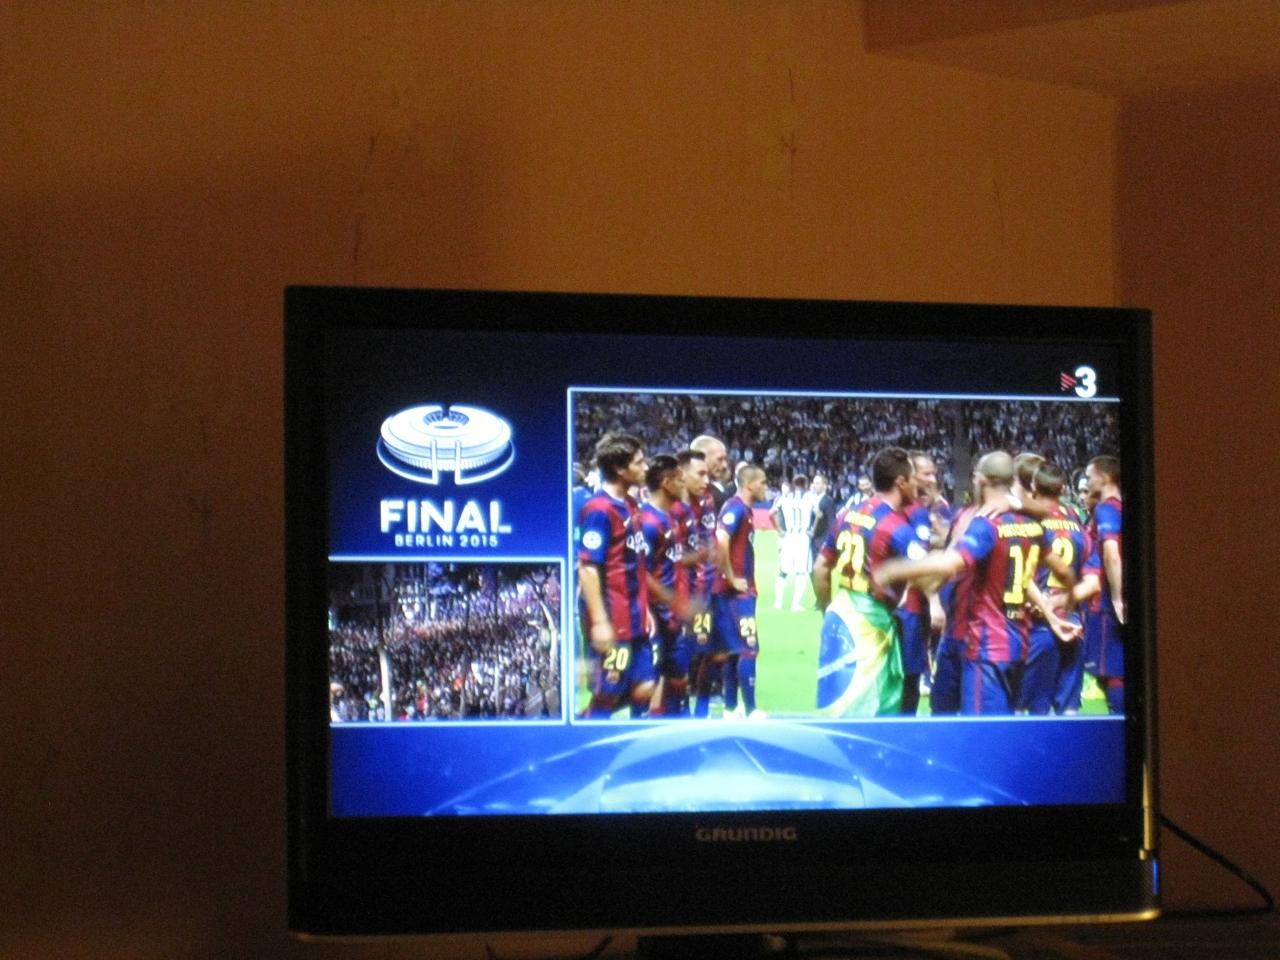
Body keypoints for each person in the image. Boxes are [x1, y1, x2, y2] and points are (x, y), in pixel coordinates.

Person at [875, 451, 1048, 716]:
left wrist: (895, 569)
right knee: (942, 713)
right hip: (960, 634)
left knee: (981, 724)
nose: (931, 480)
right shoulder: (977, 515)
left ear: (981, 479)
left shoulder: (991, 521)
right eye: (925, 474)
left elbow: (951, 562)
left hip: (983, 638)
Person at [812, 447, 926, 717]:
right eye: (913, 478)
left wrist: (826, 607)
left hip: (841, 612)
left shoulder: (847, 515)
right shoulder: (894, 526)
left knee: (839, 701)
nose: (917, 485)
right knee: (872, 704)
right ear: (900, 483)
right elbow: (925, 570)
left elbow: (820, 568)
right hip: (871, 621)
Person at [576, 433, 655, 718]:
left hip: (635, 615)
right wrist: (599, 622)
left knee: (645, 685)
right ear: (620, 469)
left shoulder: (631, 505)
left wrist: (646, 610)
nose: (646, 467)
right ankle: (588, 734)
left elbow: (635, 563)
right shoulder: (599, 510)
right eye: (639, 462)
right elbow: (588, 567)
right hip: (613, 617)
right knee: (608, 693)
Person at [1019, 461, 1091, 715]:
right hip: (1073, 620)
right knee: (1069, 711)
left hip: (1037, 623)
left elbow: (1021, 572)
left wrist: (1040, 603)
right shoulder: (1077, 522)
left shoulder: (1028, 521)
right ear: (1063, 490)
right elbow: (1090, 573)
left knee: (1026, 710)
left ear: (1033, 487)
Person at [709, 463, 768, 719]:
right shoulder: (736, 508)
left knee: (733, 651)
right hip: (737, 594)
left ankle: (730, 708)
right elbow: (721, 539)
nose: (766, 487)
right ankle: (752, 710)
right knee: (749, 647)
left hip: (732, 592)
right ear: (749, 484)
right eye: (762, 482)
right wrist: (731, 578)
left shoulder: (743, 509)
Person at [639, 454, 693, 716]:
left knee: (678, 677)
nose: (684, 485)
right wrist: (670, 599)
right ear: (665, 483)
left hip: (671, 615)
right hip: (654, 616)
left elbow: (671, 562)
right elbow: (641, 572)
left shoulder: (668, 518)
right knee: (647, 684)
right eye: (680, 480)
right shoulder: (647, 523)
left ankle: (675, 724)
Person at [897, 452, 948, 714]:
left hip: (908, 601)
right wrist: (934, 601)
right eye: (926, 474)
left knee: (911, 671)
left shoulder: (929, 508)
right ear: (910, 475)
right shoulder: (913, 511)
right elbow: (918, 558)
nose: (932, 479)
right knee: (908, 674)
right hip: (910, 604)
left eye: (934, 474)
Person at [1083, 454, 1125, 714]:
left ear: (1104, 477)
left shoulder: (1106, 509)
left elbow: (1111, 553)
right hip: (1111, 599)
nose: (1086, 482)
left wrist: (1118, 598)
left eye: (1089, 477)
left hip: (1106, 604)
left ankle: (1117, 721)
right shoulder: (1121, 507)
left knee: (1110, 671)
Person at [770, 474, 816, 612]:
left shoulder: (785, 497)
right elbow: (818, 513)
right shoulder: (810, 497)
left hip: (788, 536)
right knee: (801, 571)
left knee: (783, 570)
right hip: (803, 536)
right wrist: (813, 529)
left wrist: (779, 530)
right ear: (806, 485)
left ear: (793, 484)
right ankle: (795, 604)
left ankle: (778, 602)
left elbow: (771, 513)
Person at [691, 434, 734, 511]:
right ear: (702, 458)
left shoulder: (717, 493)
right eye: (720, 459)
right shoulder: (682, 493)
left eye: (725, 459)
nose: (725, 465)